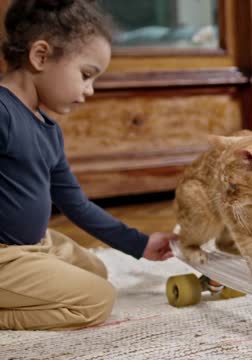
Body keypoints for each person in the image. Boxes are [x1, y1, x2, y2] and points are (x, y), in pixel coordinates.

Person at [0, 0, 176, 330]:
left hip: (35, 247)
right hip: (4, 256)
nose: (89, 90)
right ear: (40, 56)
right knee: (96, 300)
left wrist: (139, 243)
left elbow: (76, 205)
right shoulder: (2, 111)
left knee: (97, 271)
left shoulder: (49, 132)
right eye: (85, 75)